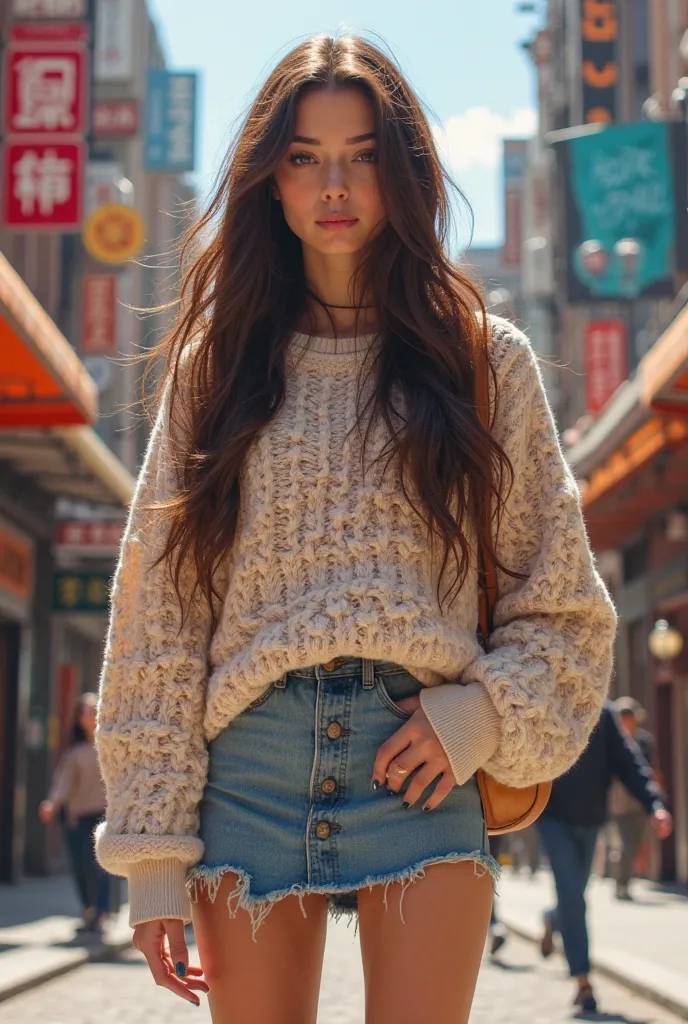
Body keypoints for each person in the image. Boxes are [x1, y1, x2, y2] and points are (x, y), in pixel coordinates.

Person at [93, 34, 617, 1023]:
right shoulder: (215, 367)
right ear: (272, 182)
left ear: (401, 168)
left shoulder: (482, 361)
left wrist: (478, 719)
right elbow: (157, 620)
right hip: (246, 771)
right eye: (303, 156)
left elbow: (566, 612)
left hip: (421, 767)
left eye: (361, 151)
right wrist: (153, 857)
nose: (334, 183)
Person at [538, 701, 672, 1015]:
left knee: (574, 895)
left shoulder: (602, 712)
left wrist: (655, 804)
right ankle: (584, 983)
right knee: (573, 897)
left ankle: (552, 918)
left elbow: (629, 763)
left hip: (592, 819)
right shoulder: (544, 701)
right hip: (552, 817)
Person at [39, 692, 111, 937]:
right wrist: (52, 803)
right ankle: (88, 910)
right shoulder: (74, 752)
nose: (89, 715)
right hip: (78, 817)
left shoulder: (111, 745)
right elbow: (63, 783)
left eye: (94, 710)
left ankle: (101, 913)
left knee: (100, 867)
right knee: (80, 865)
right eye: (85, 711)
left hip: (104, 817)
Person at [610, 696, 657, 899]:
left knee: (637, 843)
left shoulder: (645, 741)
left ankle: (626, 879)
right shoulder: (612, 741)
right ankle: (622, 884)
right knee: (625, 845)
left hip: (640, 802)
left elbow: (650, 770)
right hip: (618, 804)